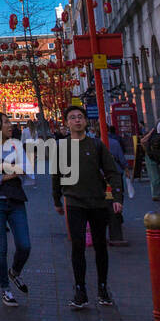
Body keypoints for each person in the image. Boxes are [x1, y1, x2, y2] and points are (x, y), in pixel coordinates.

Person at [52, 104, 124, 309]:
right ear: (66, 123)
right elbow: (56, 176)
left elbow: (112, 171)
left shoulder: (97, 145)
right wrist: (57, 200)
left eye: (80, 117)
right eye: (73, 117)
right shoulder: (61, 147)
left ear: (85, 121)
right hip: (74, 202)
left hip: (98, 202)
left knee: (101, 246)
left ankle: (102, 287)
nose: (77, 120)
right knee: (78, 246)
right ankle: (80, 290)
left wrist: (117, 197)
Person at [0, 113, 33, 307]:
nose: (11, 125)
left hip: (16, 201)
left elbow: (26, 168)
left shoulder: (16, 145)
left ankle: (15, 272)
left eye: (10, 121)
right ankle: (6, 289)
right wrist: (12, 169)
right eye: (7, 122)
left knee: (24, 245)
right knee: (0, 249)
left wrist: (3, 169)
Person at [140, 122, 160, 201]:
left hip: (153, 156)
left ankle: (157, 194)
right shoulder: (153, 133)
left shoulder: (156, 133)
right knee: (155, 177)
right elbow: (142, 141)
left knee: (157, 176)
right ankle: (156, 195)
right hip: (151, 156)